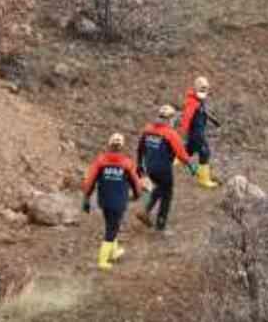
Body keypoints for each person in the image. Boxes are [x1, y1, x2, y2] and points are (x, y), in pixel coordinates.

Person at [81, 133, 144, 272]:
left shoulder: (100, 161)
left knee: (111, 224)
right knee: (112, 229)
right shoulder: (127, 163)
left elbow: (89, 181)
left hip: (104, 201)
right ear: (122, 147)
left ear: (109, 145)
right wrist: (137, 195)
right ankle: (102, 261)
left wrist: (86, 199)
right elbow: (136, 183)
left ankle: (114, 252)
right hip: (119, 202)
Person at [135, 105, 197, 234]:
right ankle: (161, 226)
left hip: (149, 166)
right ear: (170, 118)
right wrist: (191, 167)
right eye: (173, 118)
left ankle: (145, 210)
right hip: (163, 168)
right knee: (167, 195)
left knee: (159, 188)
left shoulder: (148, 130)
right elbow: (181, 153)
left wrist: (140, 166)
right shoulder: (170, 134)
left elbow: (140, 148)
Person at [181, 75, 220, 189]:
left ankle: (165, 162)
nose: (205, 91)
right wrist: (181, 132)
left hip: (197, 132)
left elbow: (202, 111)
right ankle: (204, 180)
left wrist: (213, 120)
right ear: (196, 88)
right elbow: (186, 118)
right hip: (196, 133)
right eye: (202, 88)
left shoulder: (199, 99)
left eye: (206, 89)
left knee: (187, 151)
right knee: (205, 152)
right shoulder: (192, 102)